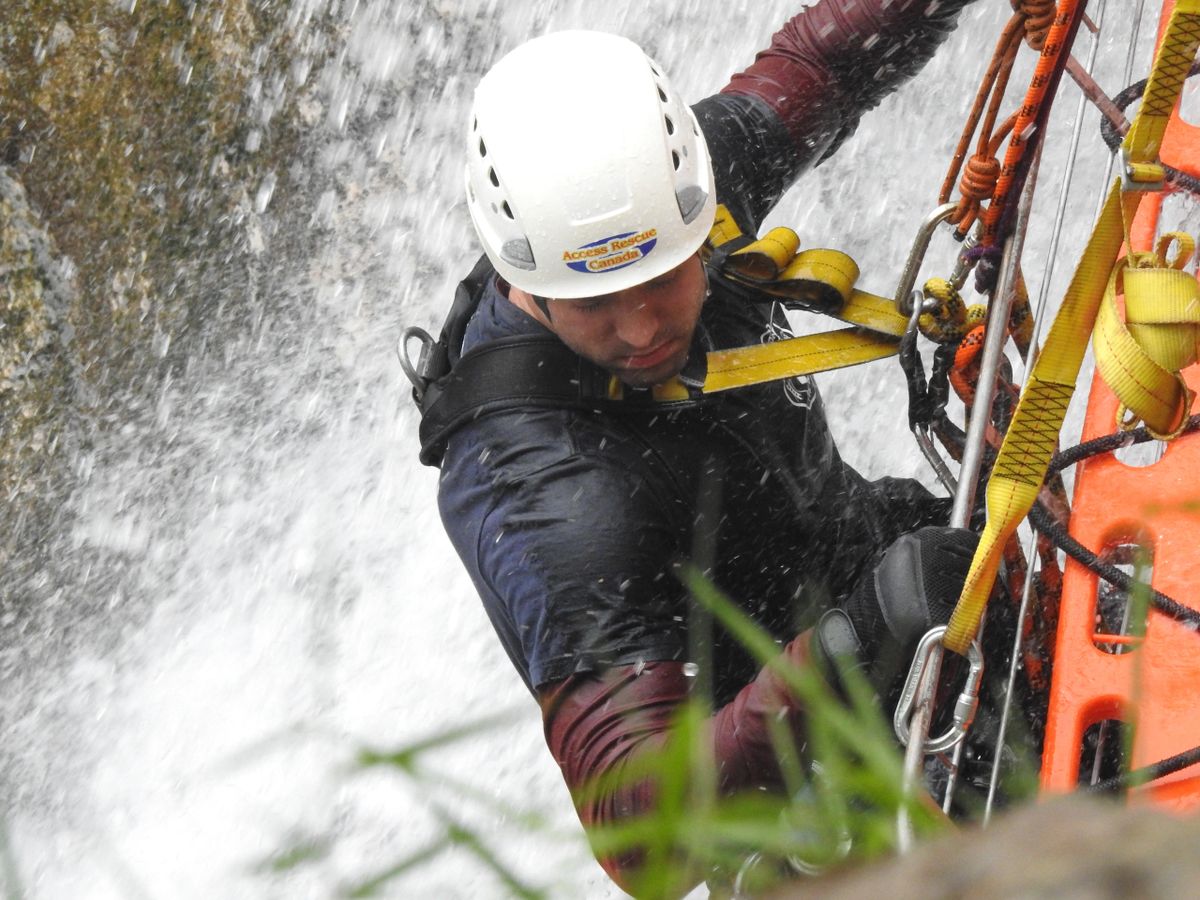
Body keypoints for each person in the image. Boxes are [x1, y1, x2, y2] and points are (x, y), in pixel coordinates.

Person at [413, 1, 982, 892]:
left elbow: (828, 64)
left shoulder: (672, 196)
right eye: (597, 304)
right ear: (529, 282)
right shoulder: (549, 495)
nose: (642, 328)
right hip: (810, 804)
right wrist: (860, 634)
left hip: (875, 576)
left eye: (665, 278)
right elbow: (646, 831)